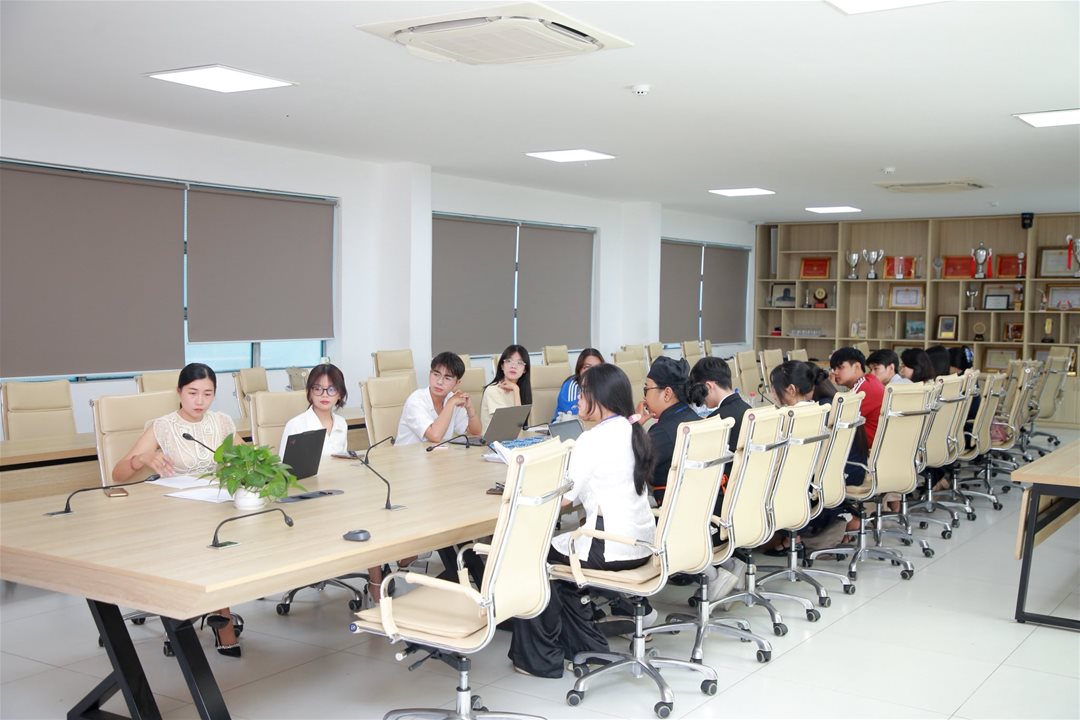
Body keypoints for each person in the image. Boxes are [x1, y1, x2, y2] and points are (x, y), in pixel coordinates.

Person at [508, 363, 656, 678]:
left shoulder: (593, 439)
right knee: (562, 566)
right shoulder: (631, 429)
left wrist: (523, 491)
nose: (576, 400)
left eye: (583, 393)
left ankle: (539, 658)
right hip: (641, 543)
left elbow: (563, 498)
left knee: (532, 555)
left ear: (600, 397)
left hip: (610, 546)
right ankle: (582, 644)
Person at [112, 363, 246, 657]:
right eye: (192, 393)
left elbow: (246, 459)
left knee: (228, 538)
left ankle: (212, 615)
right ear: (179, 392)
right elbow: (118, 474)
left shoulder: (222, 423)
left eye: (208, 394)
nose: (200, 401)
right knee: (208, 544)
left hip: (214, 504)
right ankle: (220, 624)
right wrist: (143, 459)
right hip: (173, 512)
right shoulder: (163, 426)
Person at [687, 356, 749, 599]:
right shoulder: (749, 411)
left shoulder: (719, 422)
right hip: (747, 502)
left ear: (708, 386)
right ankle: (731, 566)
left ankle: (714, 576)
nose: (702, 402)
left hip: (724, 507)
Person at [636, 356, 700, 505]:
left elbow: (630, 467)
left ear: (667, 394)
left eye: (646, 389)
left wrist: (634, 426)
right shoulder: (695, 418)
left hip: (671, 511)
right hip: (698, 506)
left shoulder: (661, 433)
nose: (644, 398)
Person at [396, 351, 481, 446]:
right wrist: (450, 403)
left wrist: (470, 408)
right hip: (409, 454)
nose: (440, 382)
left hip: (437, 454)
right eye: (436, 374)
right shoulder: (416, 400)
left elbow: (475, 433)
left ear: (457, 383)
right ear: (430, 373)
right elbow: (434, 436)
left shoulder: (452, 399)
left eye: (447, 378)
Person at [279, 363, 349, 456]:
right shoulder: (295, 425)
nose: (325, 395)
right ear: (309, 393)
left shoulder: (341, 423)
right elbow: (284, 464)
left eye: (331, 389)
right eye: (317, 389)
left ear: (340, 394)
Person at [829, 347, 884, 448]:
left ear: (857, 367)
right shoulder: (869, 382)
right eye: (833, 368)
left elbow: (836, 420)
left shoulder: (863, 389)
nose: (835, 372)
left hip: (865, 449)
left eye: (840, 367)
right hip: (872, 445)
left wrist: (829, 387)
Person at [481, 344, 532, 432]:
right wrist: (516, 389)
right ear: (502, 366)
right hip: (496, 439)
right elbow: (513, 424)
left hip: (514, 438)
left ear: (524, 370)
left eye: (519, 363)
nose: (513, 366)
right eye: (509, 361)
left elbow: (521, 426)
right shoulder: (493, 390)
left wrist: (515, 389)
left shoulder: (521, 390)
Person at [551, 348, 604, 423]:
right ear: (579, 369)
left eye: (597, 367)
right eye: (587, 367)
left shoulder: (605, 384)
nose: (593, 371)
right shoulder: (572, 385)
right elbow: (575, 416)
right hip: (565, 425)